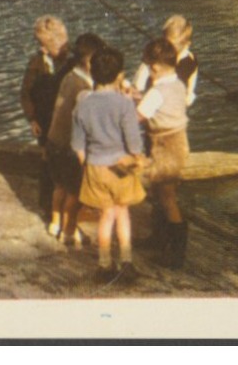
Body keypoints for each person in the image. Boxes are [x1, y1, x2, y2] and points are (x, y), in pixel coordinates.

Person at [71, 46, 147, 285]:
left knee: (105, 217)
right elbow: (134, 142)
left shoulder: (83, 104)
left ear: (92, 73)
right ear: (119, 76)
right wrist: (138, 158)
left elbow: (77, 144)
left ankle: (104, 265)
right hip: (120, 167)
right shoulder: (124, 104)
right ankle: (126, 262)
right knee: (122, 213)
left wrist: (88, 167)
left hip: (95, 167)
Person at [45, 31, 104, 245]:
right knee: (73, 192)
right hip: (69, 146)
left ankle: (55, 223)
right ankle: (68, 230)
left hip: (53, 140)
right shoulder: (85, 88)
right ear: (89, 62)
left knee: (59, 186)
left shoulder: (69, 76)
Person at [136, 36, 190, 269]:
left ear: (154, 68)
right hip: (179, 142)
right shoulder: (177, 83)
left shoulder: (155, 91)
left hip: (164, 146)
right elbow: (158, 104)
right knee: (161, 192)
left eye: (149, 67)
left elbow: (139, 116)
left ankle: (177, 253)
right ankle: (159, 238)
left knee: (167, 197)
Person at [20, 16, 73, 215]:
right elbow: (26, 93)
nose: (41, 49)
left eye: (45, 45)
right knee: (48, 160)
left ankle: (68, 204)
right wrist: (32, 118)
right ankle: (48, 204)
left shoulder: (71, 63)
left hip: (66, 119)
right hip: (45, 119)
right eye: (39, 45)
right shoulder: (36, 63)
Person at [133, 15, 198, 107]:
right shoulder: (155, 53)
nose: (167, 49)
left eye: (172, 47)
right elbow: (140, 79)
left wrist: (186, 100)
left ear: (186, 44)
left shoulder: (190, 61)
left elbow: (190, 88)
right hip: (148, 100)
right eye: (165, 43)